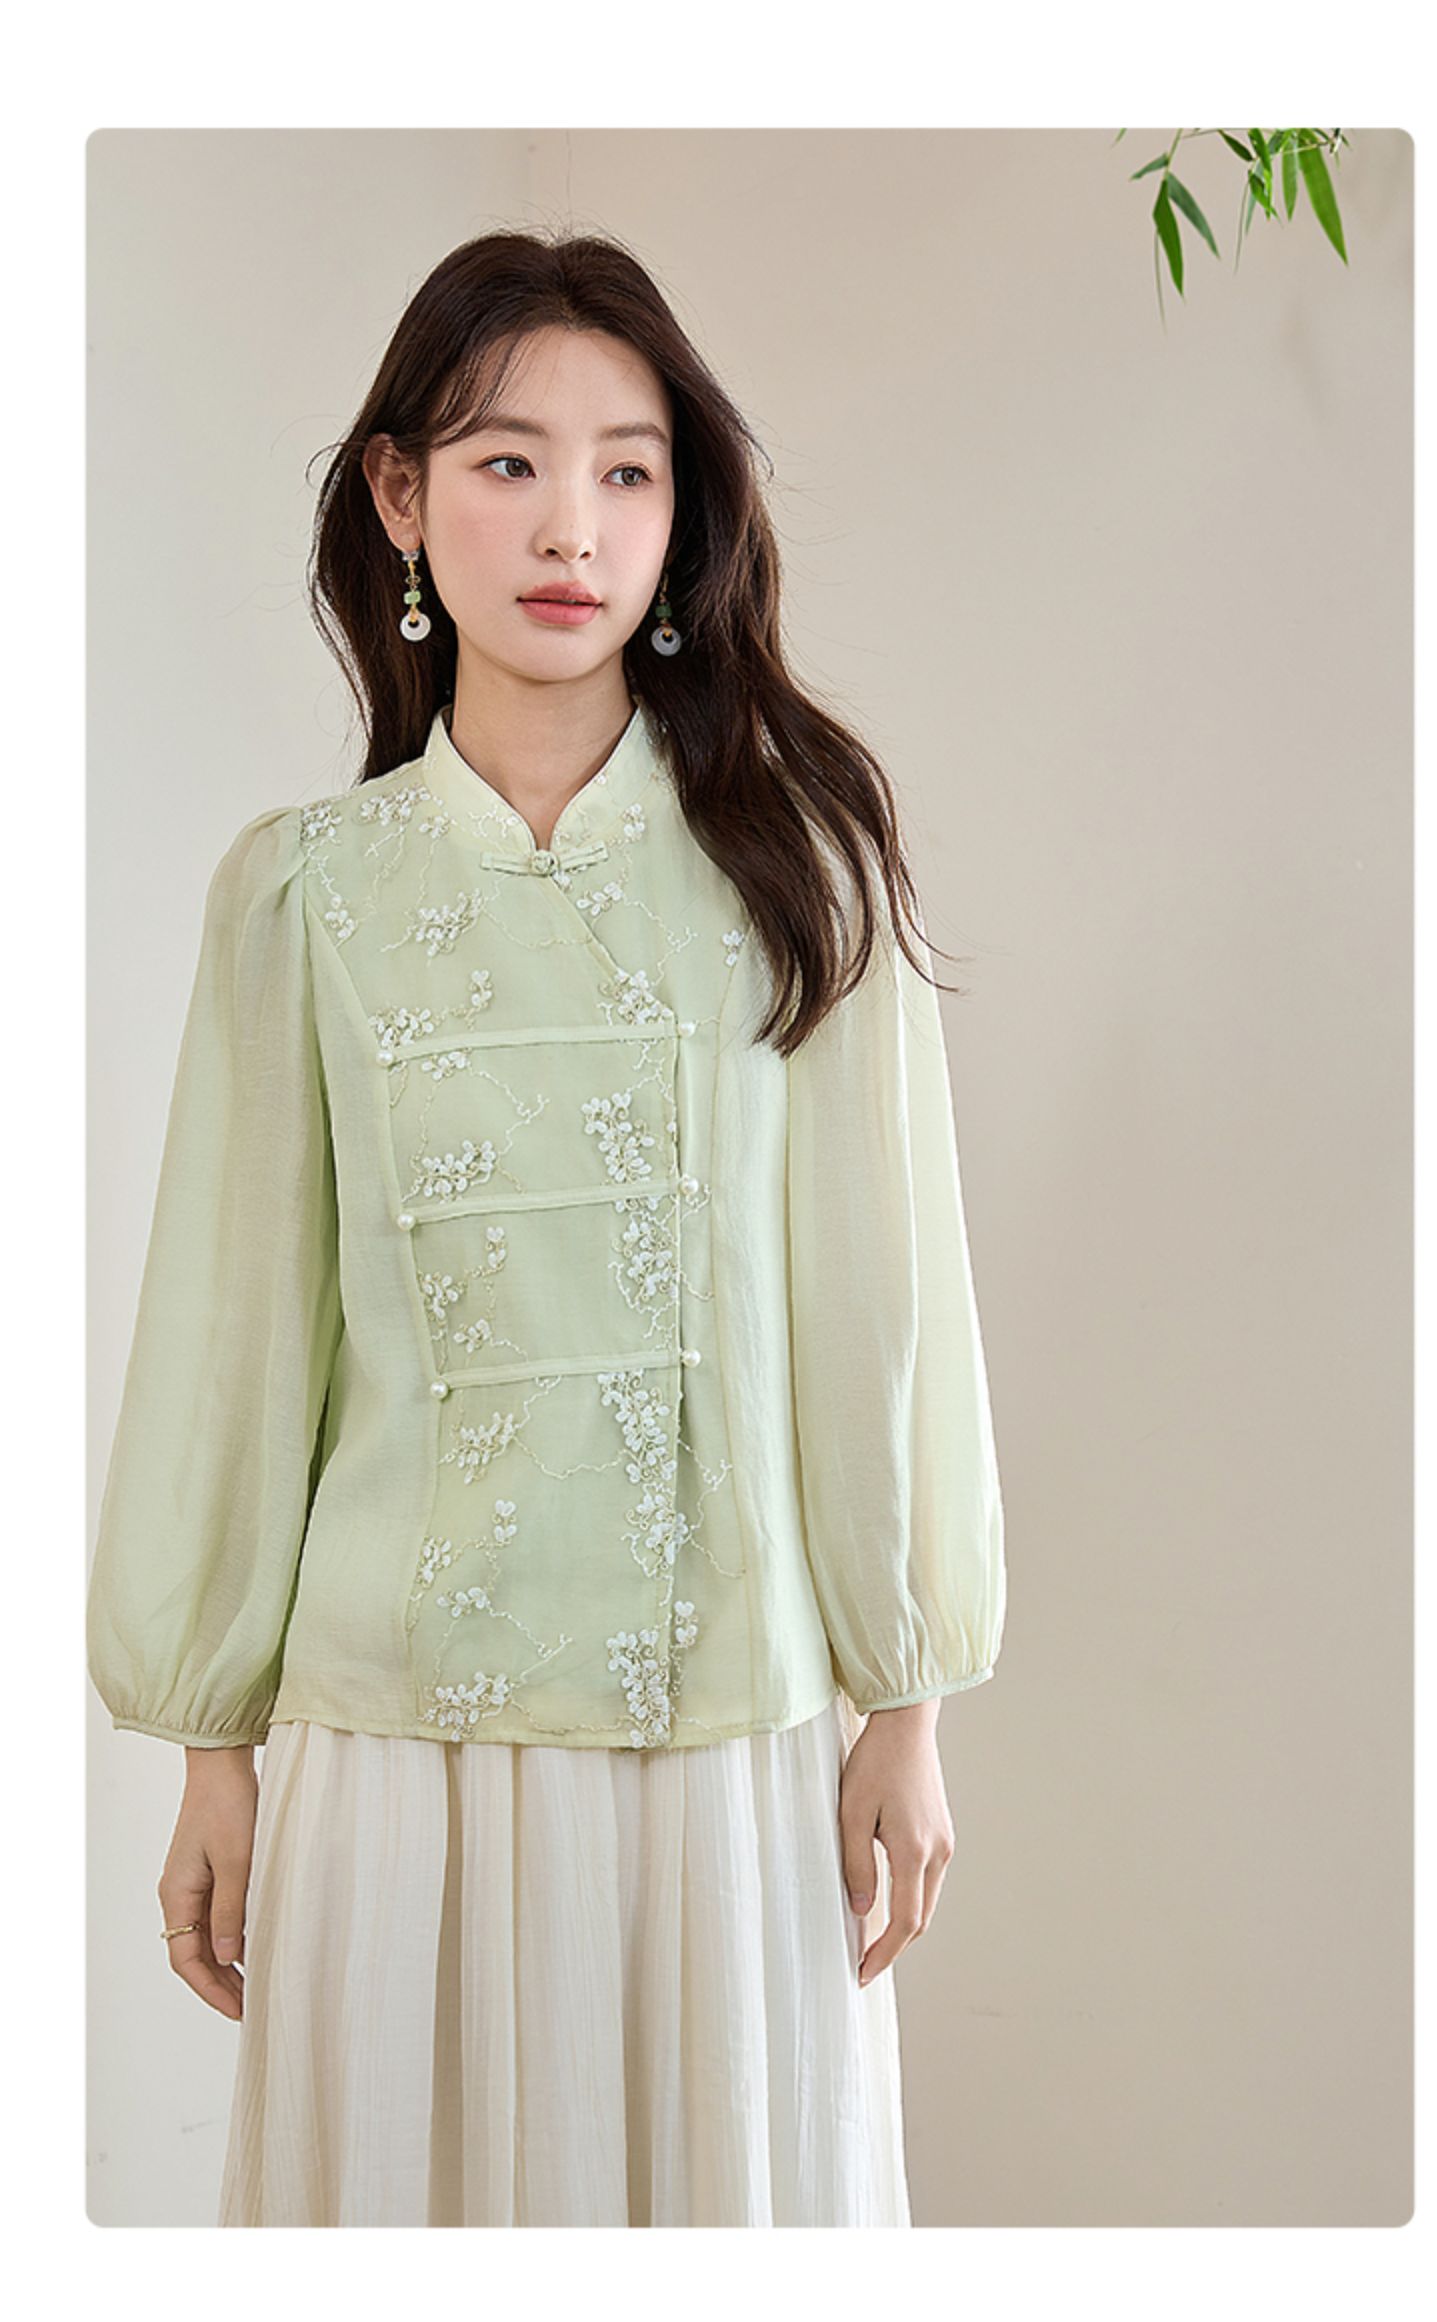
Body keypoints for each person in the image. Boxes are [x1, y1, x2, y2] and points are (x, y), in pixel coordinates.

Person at [86, 227, 1007, 2228]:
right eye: (508, 462)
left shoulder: (804, 873)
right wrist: (211, 1750)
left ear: (684, 517)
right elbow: (239, 1332)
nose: (572, 525)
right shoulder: (302, 896)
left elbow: (885, 1309)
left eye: (628, 470)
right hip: (389, 1753)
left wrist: (907, 1698)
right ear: (401, 497)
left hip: (729, 1745)